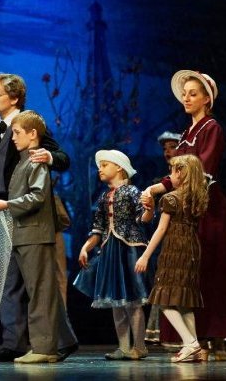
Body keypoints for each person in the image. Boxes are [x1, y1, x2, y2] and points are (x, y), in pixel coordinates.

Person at [0, 73, 77, 362]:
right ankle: (15, 343)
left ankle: (52, 342)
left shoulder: (29, 126)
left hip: (27, 215)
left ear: (14, 97)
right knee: (12, 282)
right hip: (6, 212)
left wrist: (48, 157)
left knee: (37, 284)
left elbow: (61, 157)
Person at [140, 70, 226, 359]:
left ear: (206, 99)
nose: (186, 98)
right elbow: (178, 173)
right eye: (184, 94)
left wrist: (166, 191)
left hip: (206, 207)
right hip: (186, 208)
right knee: (190, 274)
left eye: (193, 94)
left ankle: (217, 337)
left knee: (212, 269)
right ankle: (194, 340)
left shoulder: (212, 128)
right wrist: (155, 188)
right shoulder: (187, 132)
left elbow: (201, 170)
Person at [0, 110, 63, 364]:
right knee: (31, 291)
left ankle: (44, 348)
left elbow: (38, 196)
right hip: (23, 233)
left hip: (35, 234)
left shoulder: (35, 160)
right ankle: (43, 346)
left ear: (32, 134)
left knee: (40, 292)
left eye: (17, 133)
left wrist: (7, 205)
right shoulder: (22, 161)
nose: (13, 137)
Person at [74, 150, 149, 360]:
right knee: (116, 301)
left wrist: (149, 209)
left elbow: (143, 218)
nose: (100, 169)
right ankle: (123, 347)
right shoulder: (104, 197)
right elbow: (98, 228)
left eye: (105, 165)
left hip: (129, 249)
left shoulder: (132, 191)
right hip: (110, 250)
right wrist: (86, 247)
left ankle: (140, 346)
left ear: (119, 167)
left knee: (133, 300)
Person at [135, 154, 209, 363]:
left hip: (175, 250)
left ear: (181, 173)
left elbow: (160, 230)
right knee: (184, 301)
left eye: (172, 172)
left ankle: (190, 343)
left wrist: (145, 256)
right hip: (191, 249)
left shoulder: (171, 198)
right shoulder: (197, 198)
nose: (169, 177)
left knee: (164, 299)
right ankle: (194, 345)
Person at [144, 130, 181, 345]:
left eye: (173, 147)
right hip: (162, 237)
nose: (168, 151)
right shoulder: (160, 183)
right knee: (160, 282)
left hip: (180, 235)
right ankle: (161, 330)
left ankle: (179, 335)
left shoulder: (184, 180)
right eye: (165, 148)